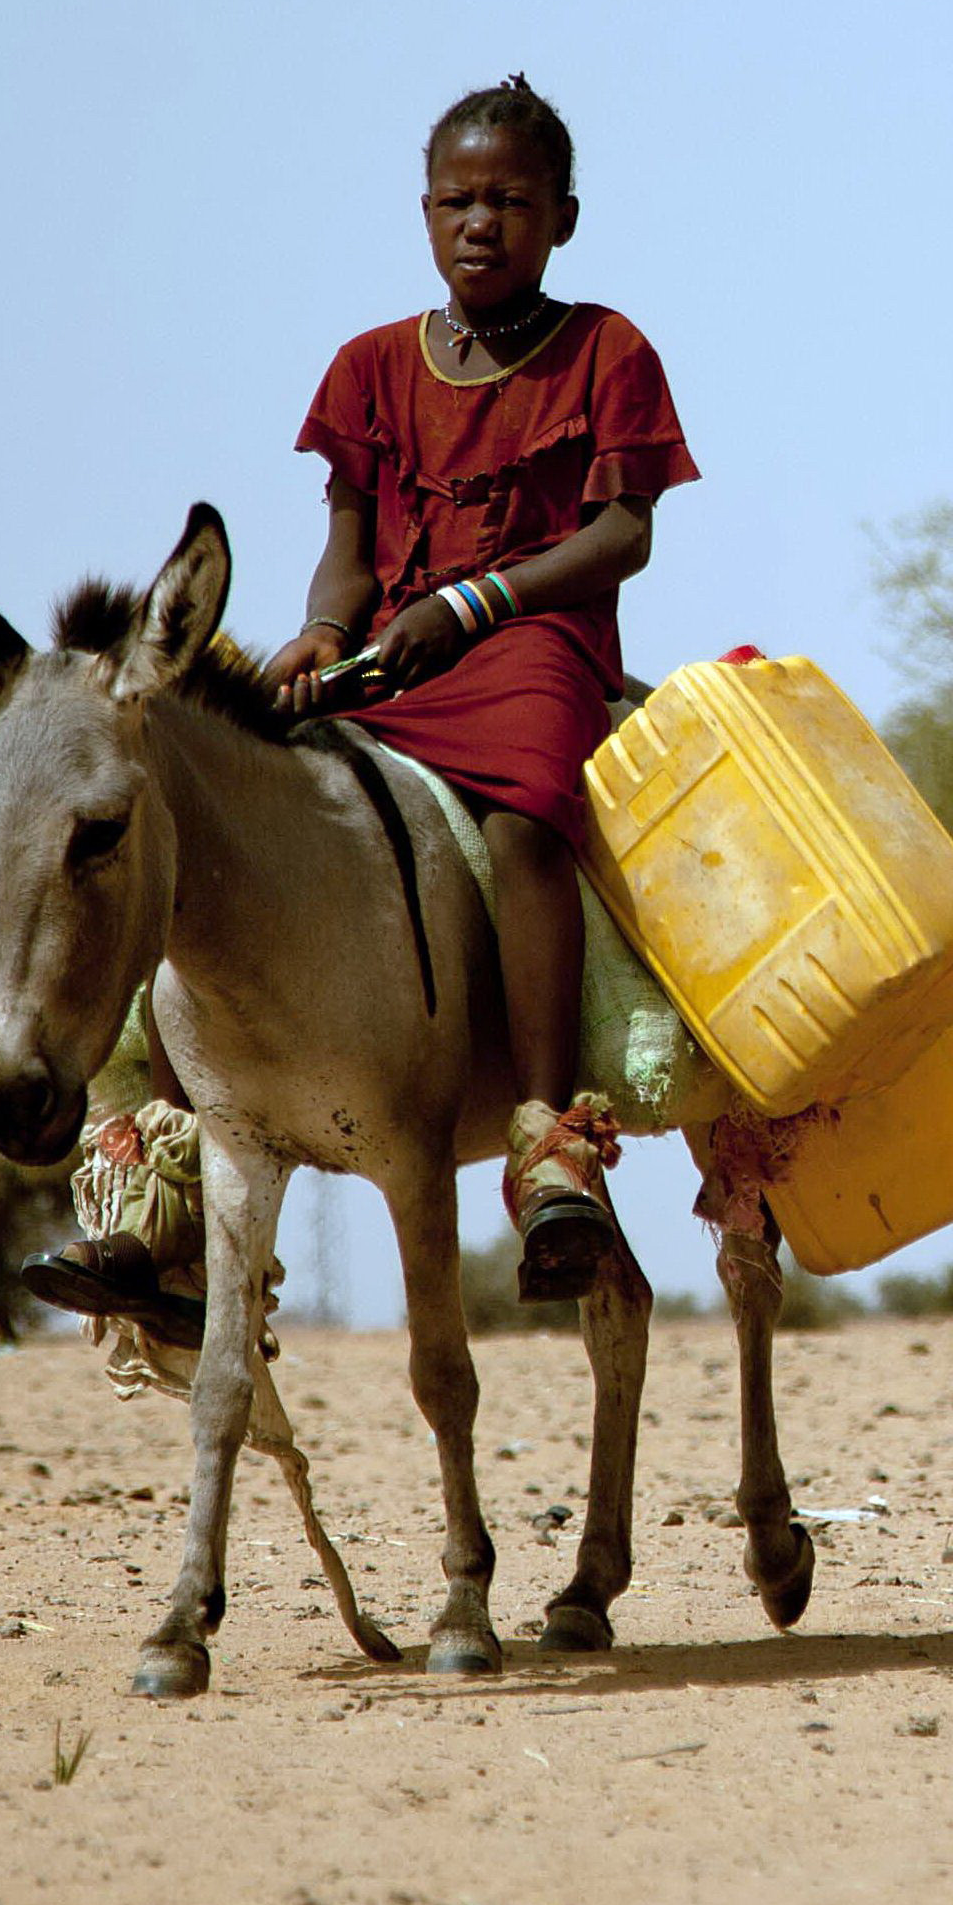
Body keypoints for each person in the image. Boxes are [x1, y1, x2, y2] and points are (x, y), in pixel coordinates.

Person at [258, 73, 700, 1296]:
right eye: (457, 200)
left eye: (510, 200)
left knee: (522, 816)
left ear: (564, 215)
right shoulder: (367, 367)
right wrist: (316, 631)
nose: (481, 223)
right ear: (423, 211)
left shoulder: (609, 349)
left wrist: (481, 602)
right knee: (214, 801)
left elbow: (623, 534)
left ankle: (553, 1149)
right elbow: (347, 546)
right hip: (389, 648)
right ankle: (163, 1165)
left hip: (534, 641)